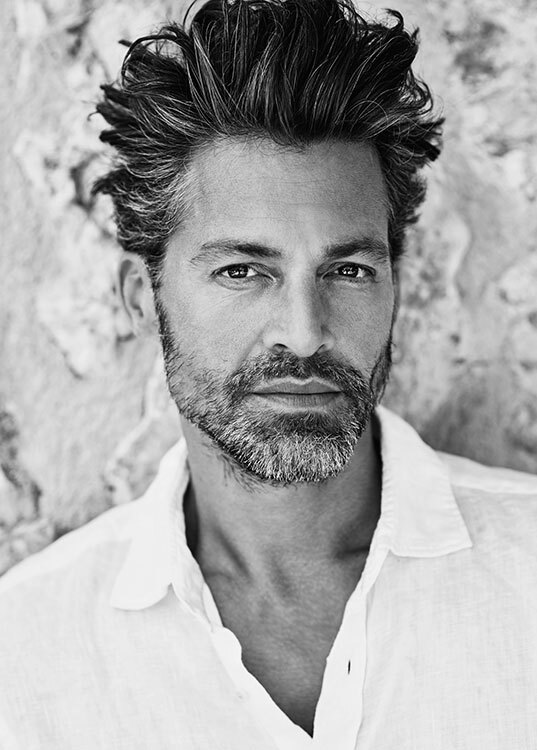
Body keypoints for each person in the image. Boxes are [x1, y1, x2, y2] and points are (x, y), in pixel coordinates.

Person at [1, 1, 537, 748]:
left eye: (347, 270)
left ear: (396, 286)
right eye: (242, 270)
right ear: (140, 299)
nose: (305, 332)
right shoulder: (25, 653)